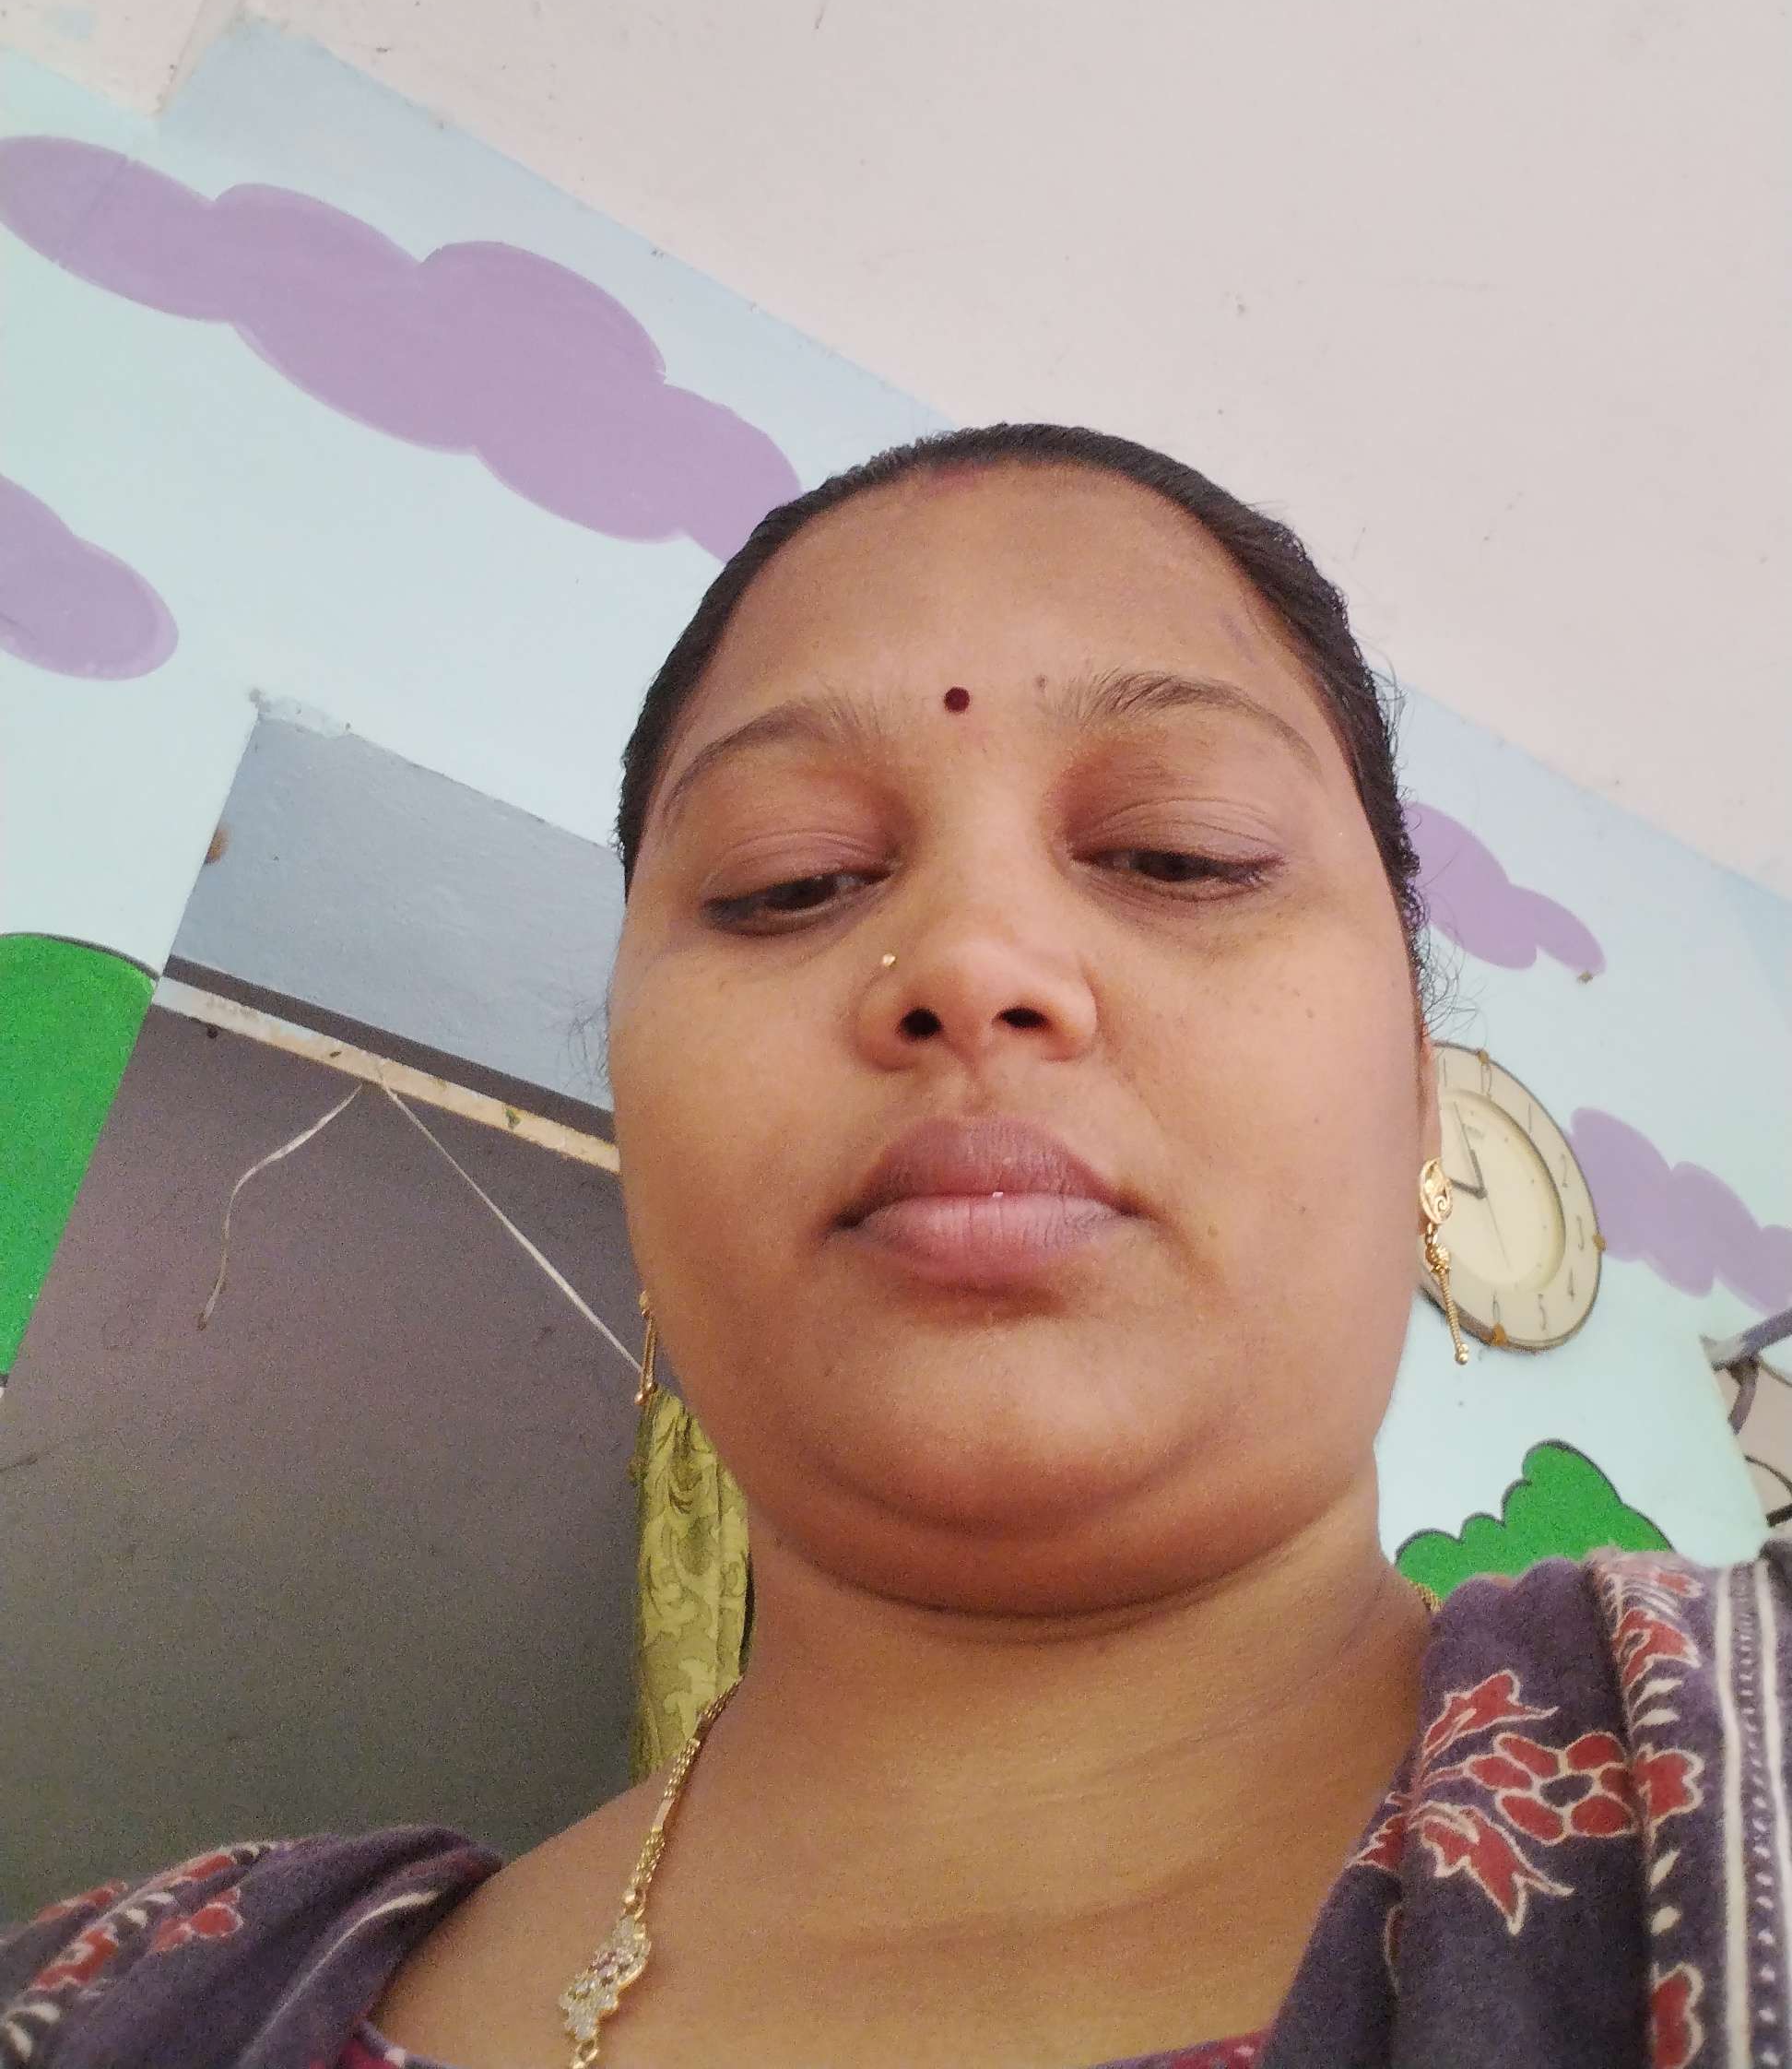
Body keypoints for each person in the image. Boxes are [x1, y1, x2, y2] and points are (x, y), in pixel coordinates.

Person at [4, 422, 1786, 2069]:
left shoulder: (1735, 1765)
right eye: (788, 879)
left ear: (1419, 1111)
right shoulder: (121, 2008)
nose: (972, 957)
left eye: (1178, 852)